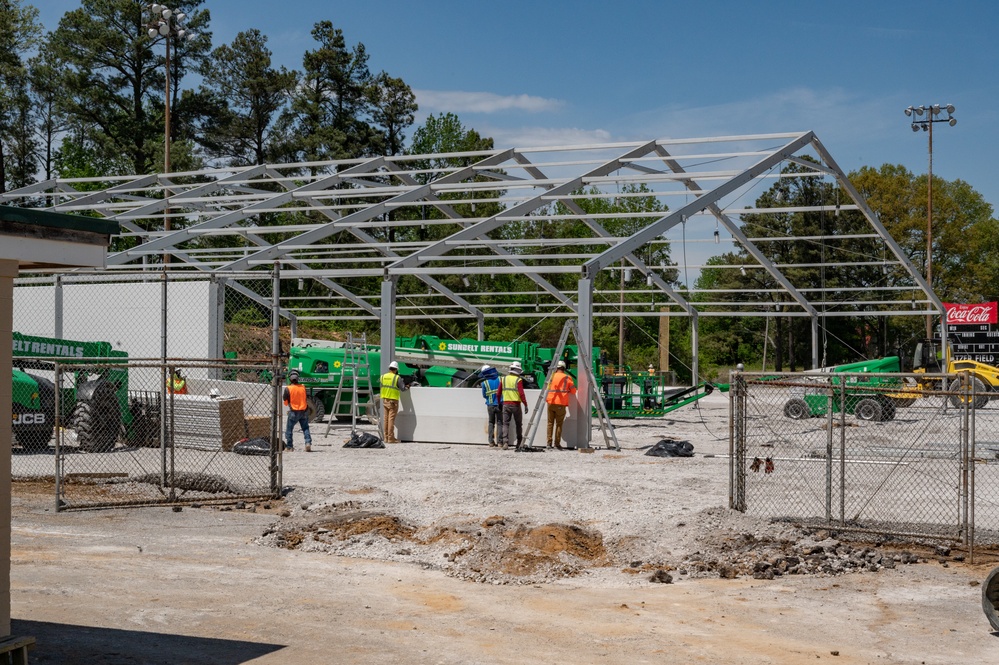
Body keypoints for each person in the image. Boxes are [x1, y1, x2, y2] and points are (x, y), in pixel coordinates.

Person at [545, 360, 577, 450]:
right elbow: (573, 391)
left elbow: (547, 387)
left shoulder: (551, 376)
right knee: (559, 424)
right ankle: (557, 444)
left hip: (550, 402)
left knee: (550, 423)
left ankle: (548, 443)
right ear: (564, 368)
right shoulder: (567, 377)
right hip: (560, 403)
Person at [500, 360, 528, 450]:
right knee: (518, 424)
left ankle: (505, 443)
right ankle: (519, 442)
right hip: (516, 404)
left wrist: (499, 402)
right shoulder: (518, 380)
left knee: (505, 424)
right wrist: (525, 404)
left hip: (506, 404)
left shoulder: (503, 379)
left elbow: (498, 392)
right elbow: (521, 393)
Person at [283, 370, 312, 452]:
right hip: (304, 410)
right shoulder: (303, 387)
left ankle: (289, 447)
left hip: (294, 412)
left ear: (290, 379)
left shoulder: (288, 388)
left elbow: (285, 400)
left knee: (289, 429)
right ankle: (308, 443)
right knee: (305, 428)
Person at [380, 360, 408, 443]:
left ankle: (385, 437)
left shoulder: (383, 377)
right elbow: (403, 389)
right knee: (391, 419)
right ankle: (391, 438)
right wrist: (408, 386)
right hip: (393, 401)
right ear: (396, 369)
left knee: (386, 419)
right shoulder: (397, 377)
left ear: (389, 368)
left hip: (385, 400)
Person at [479, 365, 502, 447]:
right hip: (500, 404)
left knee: (491, 423)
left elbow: (484, 395)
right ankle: (500, 442)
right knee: (500, 423)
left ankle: (491, 442)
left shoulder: (484, 383)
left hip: (490, 404)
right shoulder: (500, 379)